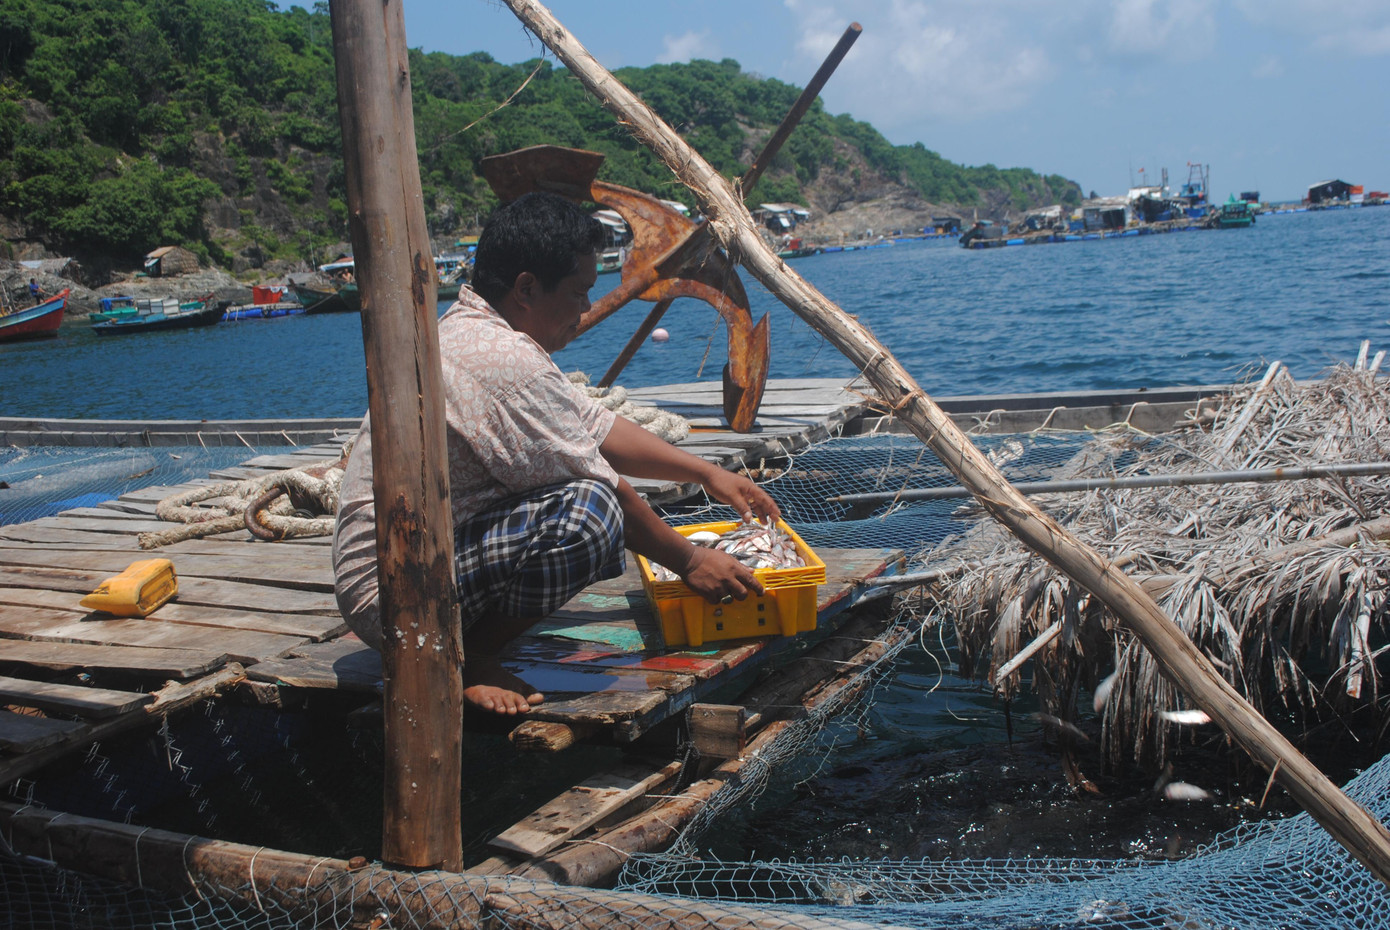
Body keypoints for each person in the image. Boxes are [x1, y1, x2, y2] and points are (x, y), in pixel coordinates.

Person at [333, 192, 779, 716]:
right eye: (578, 292)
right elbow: (604, 485)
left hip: (409, 569)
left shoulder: (478, 332)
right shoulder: (501, 359)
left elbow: (597, 425)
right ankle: (467, 656)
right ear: (526, 288)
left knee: (592, 503)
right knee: (590, 513)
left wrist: (707, 473)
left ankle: (469, 639)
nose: (587, 308)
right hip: (396, 597)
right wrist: (691, 560)